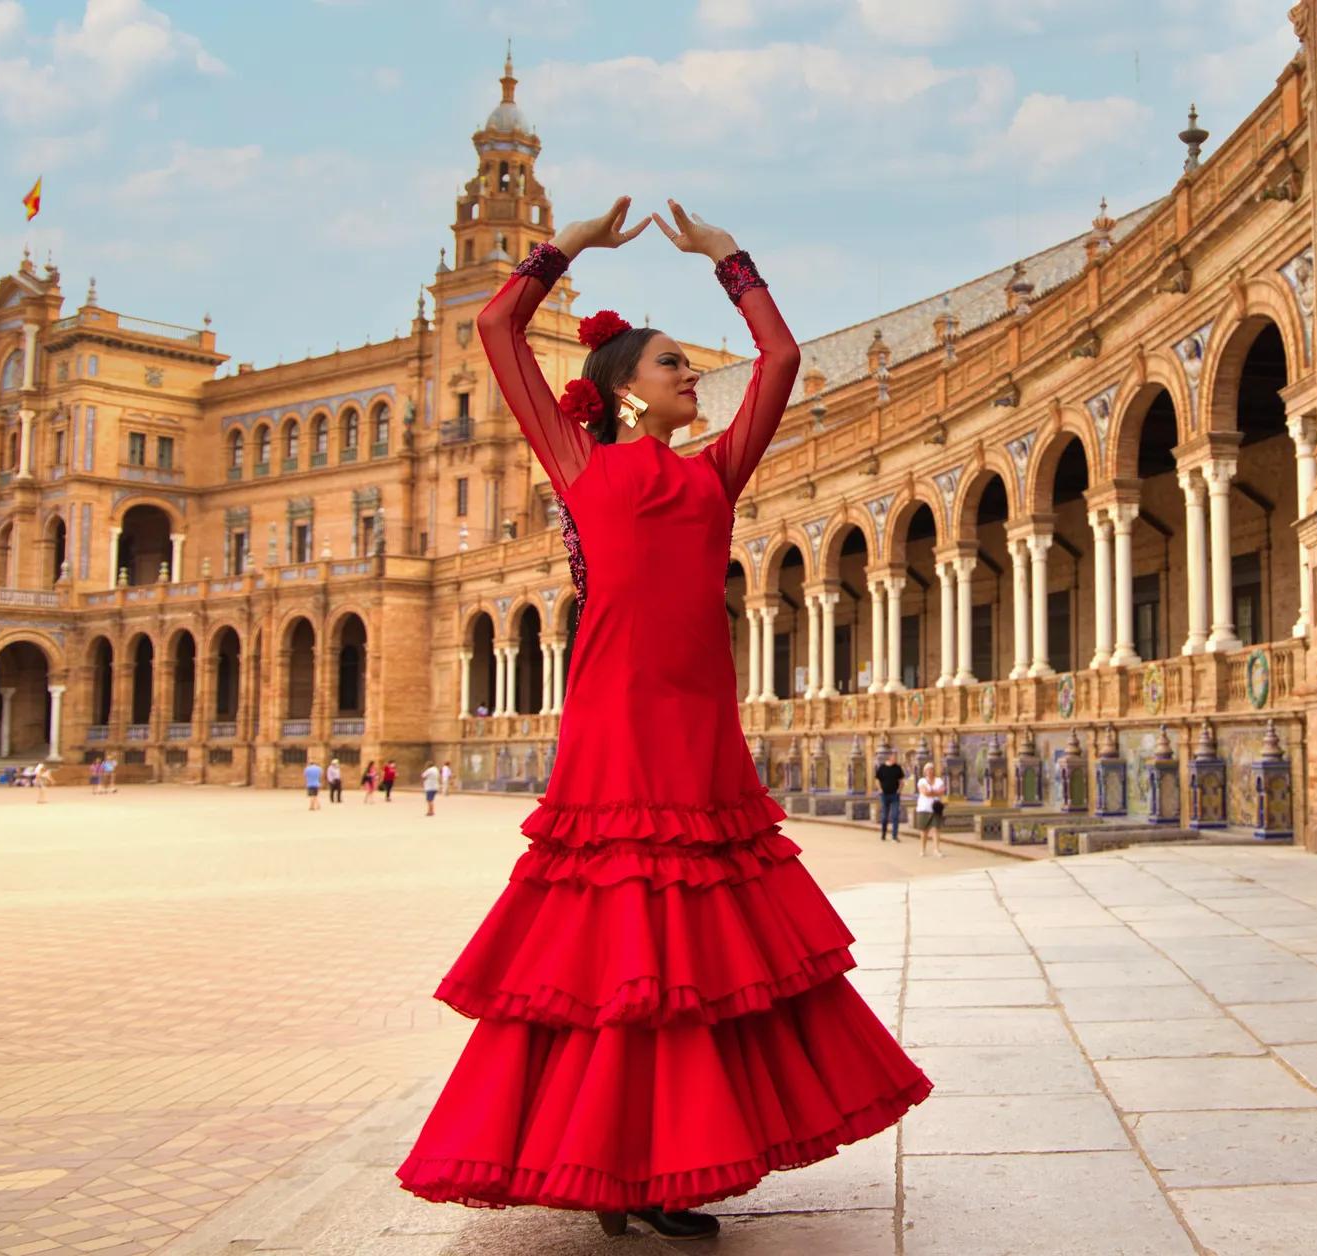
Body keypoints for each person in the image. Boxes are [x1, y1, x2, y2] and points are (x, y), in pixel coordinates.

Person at [396, 199, 928, 1240]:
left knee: (691, 952)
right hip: (611, 724)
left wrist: (732, 262)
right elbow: (495, 331)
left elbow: (776, 362)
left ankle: (666, 1166)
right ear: (621, 391)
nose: (694, 377)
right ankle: (610, 1167)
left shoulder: (713, 473)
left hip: (699, 727)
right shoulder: (577, 461)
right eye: (673, 365)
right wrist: (567, 253)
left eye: (689, 367)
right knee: (613, 947)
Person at [916, 763, 949, 858]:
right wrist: (935, 792)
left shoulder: (939, 780)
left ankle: (937, 849)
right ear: (925, 771)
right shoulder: (921, 781)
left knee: (936, 829)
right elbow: (924, 793)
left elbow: (942, 791)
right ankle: (922, 849)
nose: (930, 771)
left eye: (931, 769)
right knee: (924, 830)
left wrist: (931, 792)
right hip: (924, 808)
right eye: (928, 770)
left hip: (935, 809)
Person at [873, 751, 905, 842]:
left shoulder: (898, 768)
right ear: (890, 757)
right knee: (884, 816)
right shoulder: (882, 768)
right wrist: (880, 789)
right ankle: (883, 833)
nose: (896, 759)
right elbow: (877, 780)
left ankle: (894, 836)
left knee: (895, 815)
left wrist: (899, 790)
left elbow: (901, 780)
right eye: (894, 757)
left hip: (895, 795)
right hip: (884, 795)